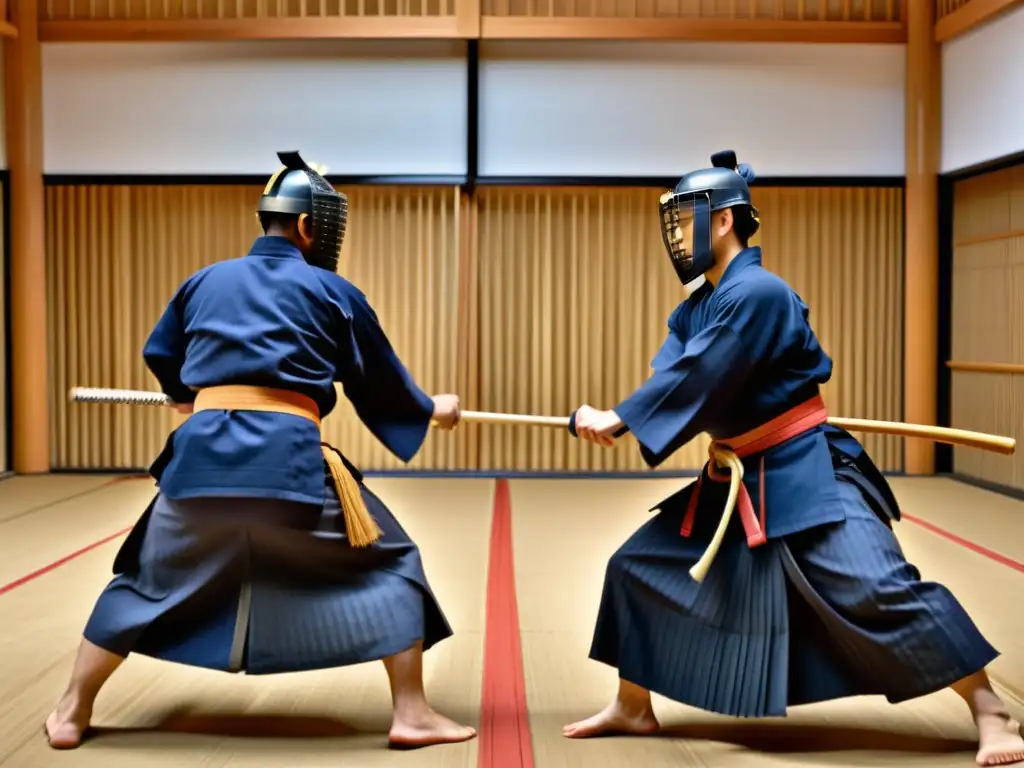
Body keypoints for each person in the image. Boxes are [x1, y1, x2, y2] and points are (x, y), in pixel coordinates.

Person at [563, 150, 1024, 767]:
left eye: (683, 220)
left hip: (804, 469)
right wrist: (623, 415)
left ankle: (990, 708)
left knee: (876, 585)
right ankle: (633, 704)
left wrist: (622, 417)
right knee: (637, 566)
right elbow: (678, 376)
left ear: (721, 221)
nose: (674, 235)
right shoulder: (700, 303)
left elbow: (704, 372)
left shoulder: (760, 292)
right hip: (737, 476)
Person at [44, 151, 476, 751]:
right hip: (288, 463)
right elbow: (378, 382)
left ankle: (70, 710)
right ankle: (412, 713)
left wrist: (185, 395)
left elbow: (162, 353)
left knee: (146, 578)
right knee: (393, 561)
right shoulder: (333, 290)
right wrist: (432, 409)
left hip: (199, 463)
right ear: (308, 227)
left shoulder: (204, 280)